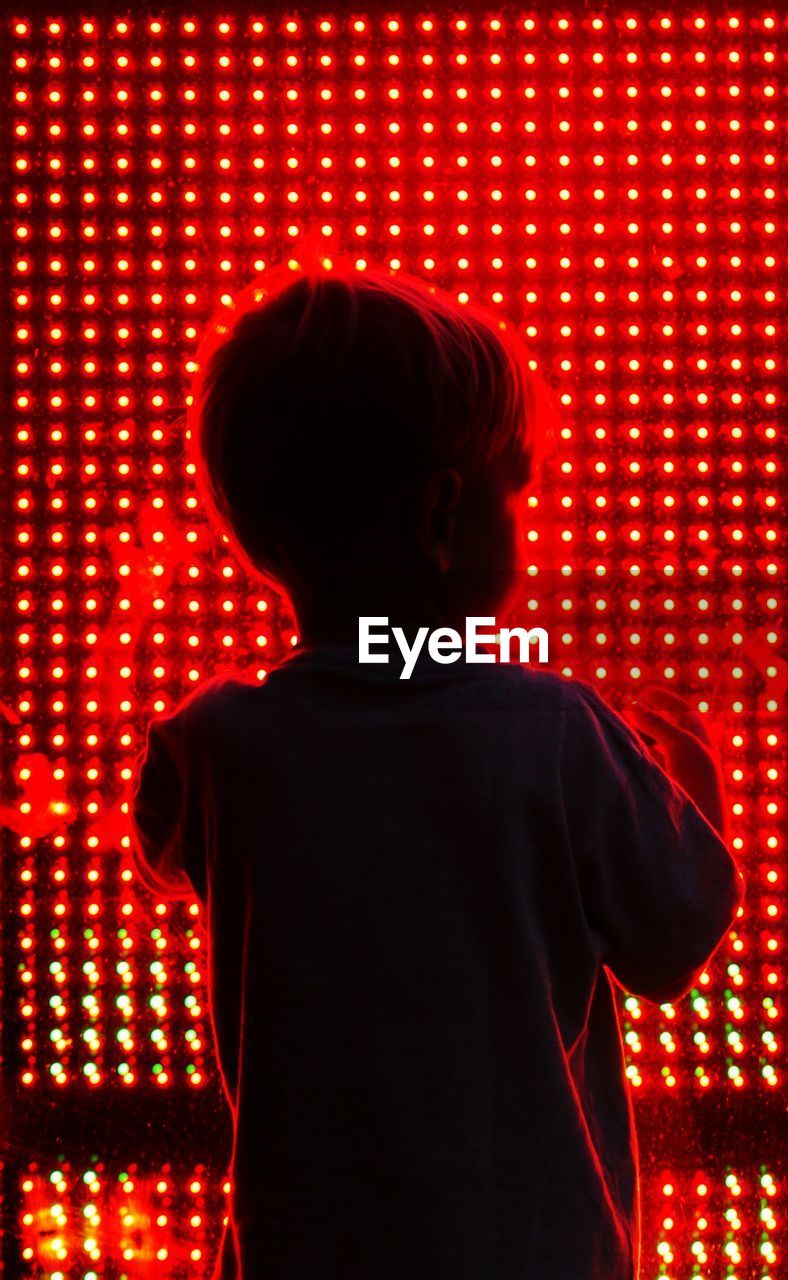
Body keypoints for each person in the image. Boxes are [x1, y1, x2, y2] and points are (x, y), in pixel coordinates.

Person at [130, 262, 743, 1279]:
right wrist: (688, 778)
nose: (530, 532)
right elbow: (672, 934)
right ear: (444, 516)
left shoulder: (220, 742)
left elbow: (165, 852)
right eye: (520, 494)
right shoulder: (552, 729)